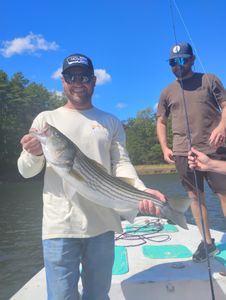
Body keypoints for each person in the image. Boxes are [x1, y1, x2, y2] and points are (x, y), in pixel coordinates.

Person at [18, 53, 166, 300]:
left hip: (103, 225)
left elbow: (121, 163)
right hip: (60, 227)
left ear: (94, 81)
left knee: (98, 296)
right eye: (71, 76)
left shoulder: (110, 121)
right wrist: (33, 154)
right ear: (63, 81)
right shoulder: (46, 120)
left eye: (84, 76)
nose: (78, 82)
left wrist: (142, 190)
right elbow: (26, 171)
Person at [156, 42, 226, 263]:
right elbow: (160, 121)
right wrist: (165, 147)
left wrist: (222, 127)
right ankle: (207, 243)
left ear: (192, 59)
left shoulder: (210, 79)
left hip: (214, 149)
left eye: (182, 60)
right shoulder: (166, 92)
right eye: (173, 62)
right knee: (195, 198)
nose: (178, 65)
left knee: (224, 195)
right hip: (182, 153)